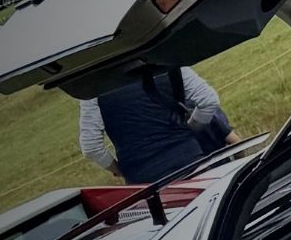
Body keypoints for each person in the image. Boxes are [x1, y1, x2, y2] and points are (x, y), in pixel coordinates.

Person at [78, 67, 241, 185]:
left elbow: (91, 147)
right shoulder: (166, 63)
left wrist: (121, 170)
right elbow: (208, 101)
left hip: (144, 184)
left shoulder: (92, 91)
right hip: (192, 164)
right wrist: (193, 128)